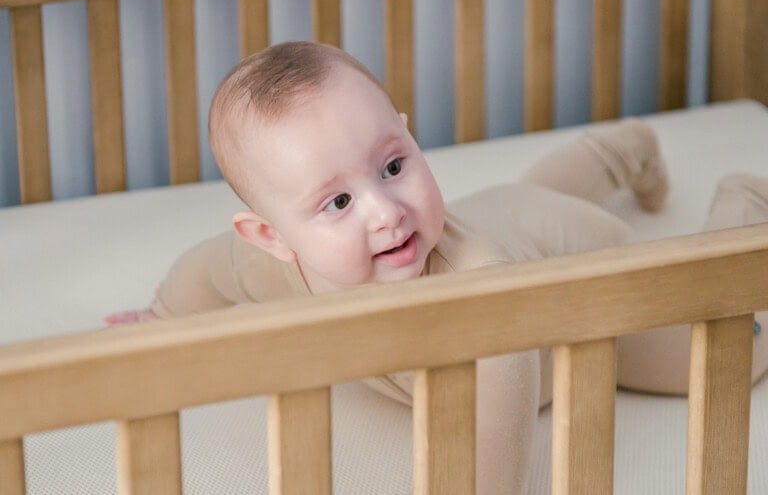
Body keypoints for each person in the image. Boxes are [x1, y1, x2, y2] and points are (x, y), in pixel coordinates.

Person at [106, 41, 767, 493]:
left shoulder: (482, 300)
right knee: (526, 200)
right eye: (338, 201)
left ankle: (744, 202)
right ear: (270, 236)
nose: (387, 212)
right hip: (514, 213)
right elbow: (204, 275)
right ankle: (616, 151)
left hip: (573, 270)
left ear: (409, 134)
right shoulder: (264, 266)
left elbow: (497, 435)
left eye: (395, 164)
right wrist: (160, 317)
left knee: (720, 355)